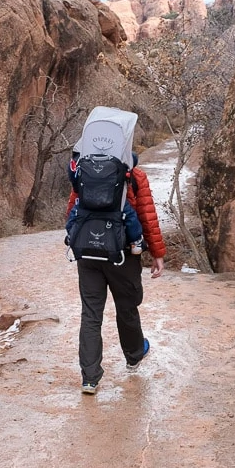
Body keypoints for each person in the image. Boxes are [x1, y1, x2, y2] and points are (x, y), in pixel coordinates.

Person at [65, 151, 166, 394]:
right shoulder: (134, 174)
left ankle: (89, 378)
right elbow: (146, 214)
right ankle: (134, 355)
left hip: (88, 252)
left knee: (90, 314)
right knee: (127, 305)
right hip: (122, 254)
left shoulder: (84, 171)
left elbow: (72, 210)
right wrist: (156, 252)